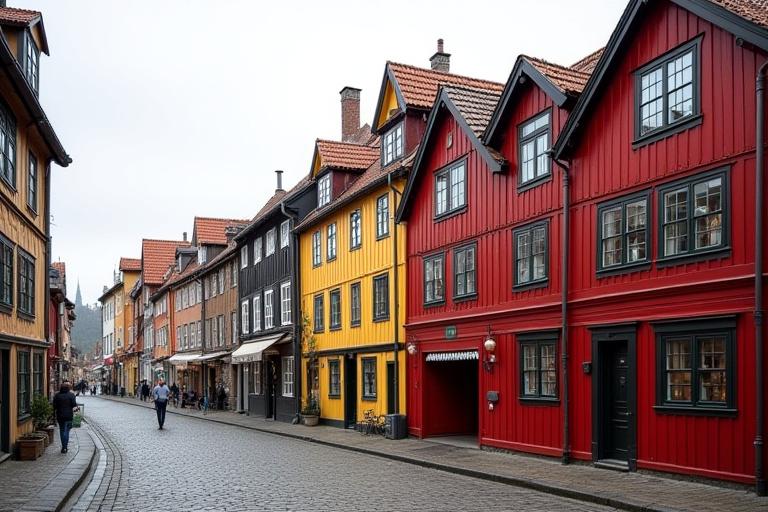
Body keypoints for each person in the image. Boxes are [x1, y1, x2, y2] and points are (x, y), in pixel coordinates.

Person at [52, 382, 79, 453]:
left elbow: (54, 406)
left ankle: (64, 447)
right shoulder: (71, 395)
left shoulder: (57, 395)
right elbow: (74, 405)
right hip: (69, 416)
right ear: (68, 388)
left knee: (62, 430)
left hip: (60, 415)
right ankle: (65, 447)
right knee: (67, 431)